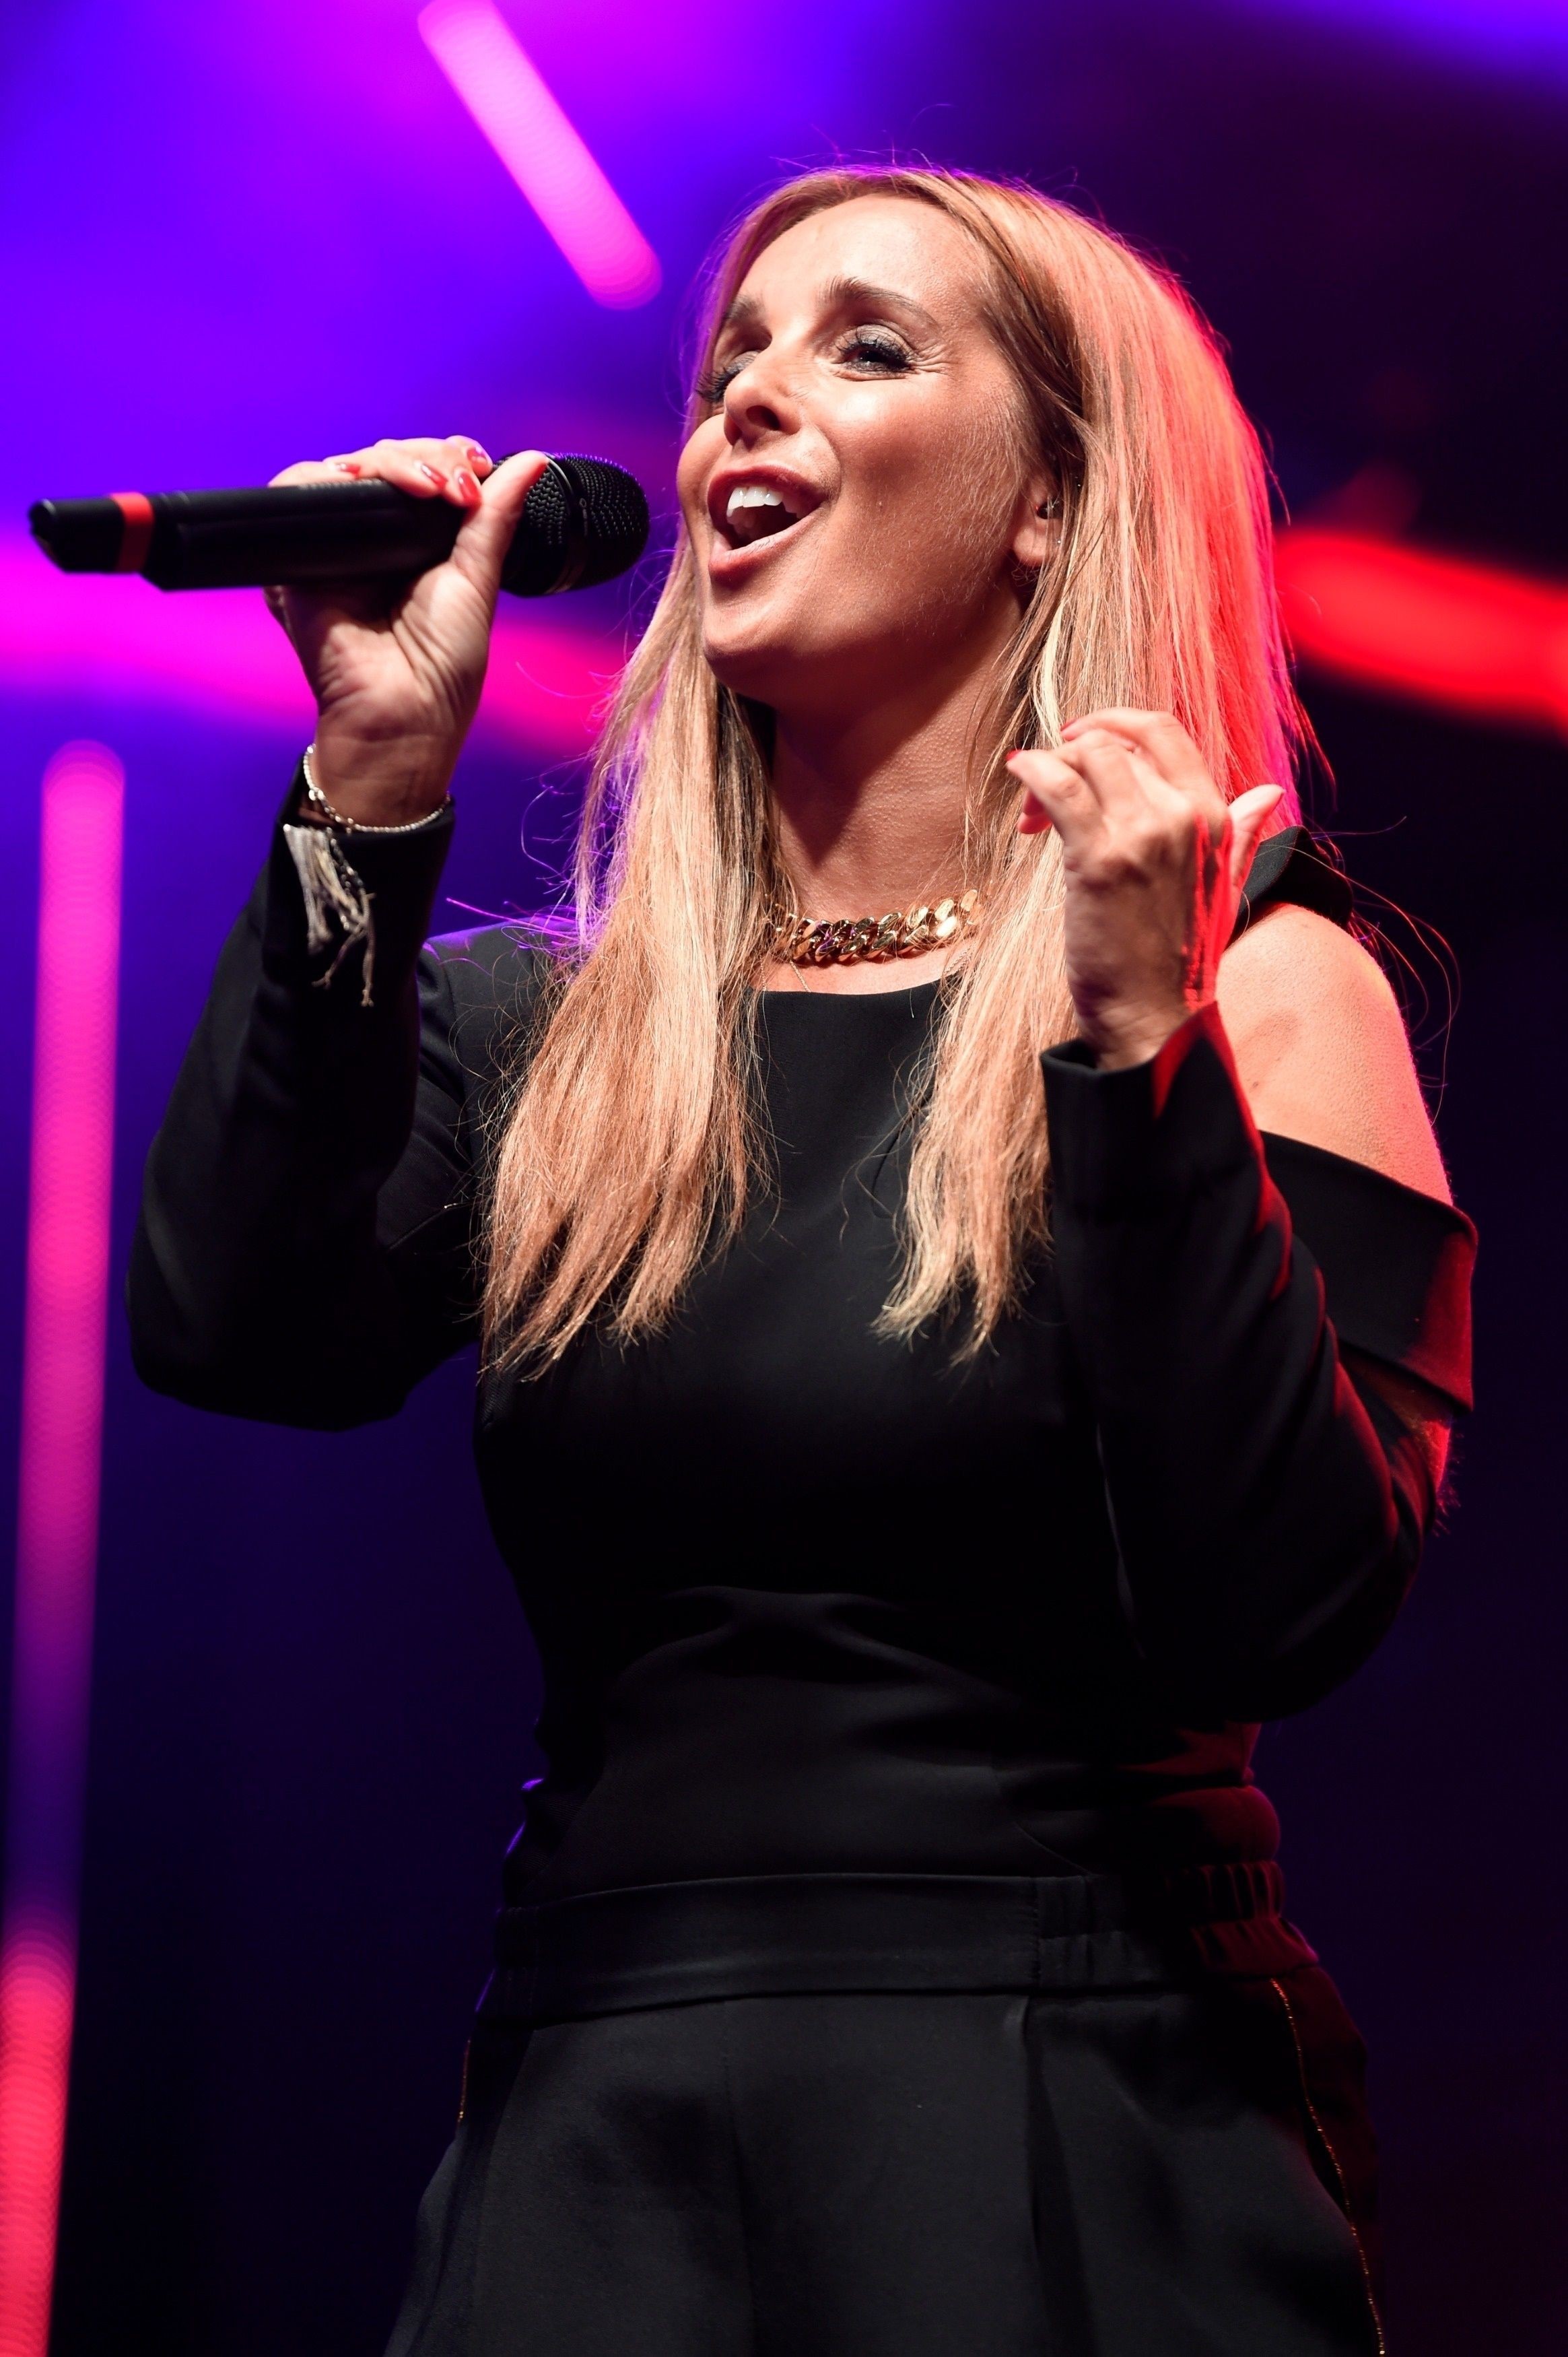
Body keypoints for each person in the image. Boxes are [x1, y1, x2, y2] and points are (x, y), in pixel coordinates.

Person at [129, 167, 1474, 2356]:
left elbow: (1282, 1597)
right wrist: (367, 782)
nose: (745, 402)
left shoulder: (1252, 977)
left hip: (1064, 2109)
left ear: (1047, 501)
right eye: (731, 358)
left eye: (862, 346)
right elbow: (238, 1331)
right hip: (599, 2126)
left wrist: (1133, 1062)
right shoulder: (569, 1033)